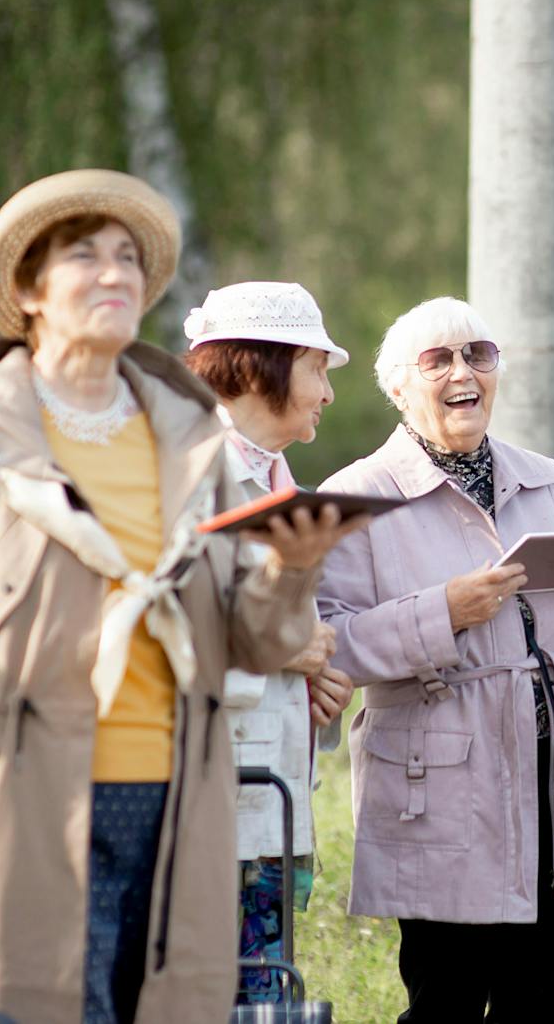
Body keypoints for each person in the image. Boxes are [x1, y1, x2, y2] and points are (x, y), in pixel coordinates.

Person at [0, 169, 360, 1024]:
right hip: (24, 799)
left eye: (128, 257)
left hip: (176, 801)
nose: (116, 273)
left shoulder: (185, 436)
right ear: (29, 292)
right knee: (32, 1004)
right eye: (85, 257)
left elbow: (255, 638)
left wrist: (292, 567)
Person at [315, 296, 554, 1023]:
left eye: (479, 354)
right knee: (448, 1003)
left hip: (553, 790)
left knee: (539, 1002)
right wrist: (445, 612)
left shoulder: (547, 480)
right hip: (442, 794)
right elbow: (330, 644)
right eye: (438, 359)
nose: (463, 371)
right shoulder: (357, 496)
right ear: (399, 386)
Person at [181, 280, 356, 1003]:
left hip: (269, 795)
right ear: (259, 368)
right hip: (210, 788)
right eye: (318, 368)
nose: (327, 393)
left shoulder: (277, 477)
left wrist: (316, 672)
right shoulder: (193, 470)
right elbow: (169, 614)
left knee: (263, 991)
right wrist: (293, 648)